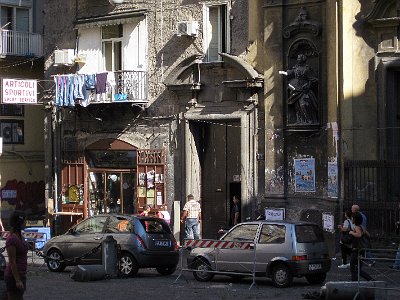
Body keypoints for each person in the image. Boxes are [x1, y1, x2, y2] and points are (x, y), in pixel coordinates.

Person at [279, 53, 318, 125]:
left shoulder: (307, 69)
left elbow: (313, 79)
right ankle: (300, 121)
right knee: (297, 106)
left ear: (303, 59)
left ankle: (309, 121)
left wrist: (308, 86)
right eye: (297, 58)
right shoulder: (296, 67)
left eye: (299, 58)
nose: (297, 59)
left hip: (304, 89)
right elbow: (290, 73)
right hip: (296, 87)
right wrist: (282, 72)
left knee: (303, 105)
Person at [4, 210, 29, 300]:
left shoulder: (20, 236)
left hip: (21, 275)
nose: (26, 222)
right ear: (20, 222)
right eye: (25, 220)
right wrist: (17, 280)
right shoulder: (12, 239)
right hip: (13, 277)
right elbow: (12, 262)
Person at [348, 212, 373, 281]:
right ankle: (371, 280)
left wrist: (351, 232)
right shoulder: (361, 226)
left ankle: (355, 283)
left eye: (352, 218)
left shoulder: (357, 227)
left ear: (355, 219)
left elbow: (358, 235)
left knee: (353, 268)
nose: (351, 219)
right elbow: (368, 235)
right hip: (361, 250)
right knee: (358, 269)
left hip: (357, 250)